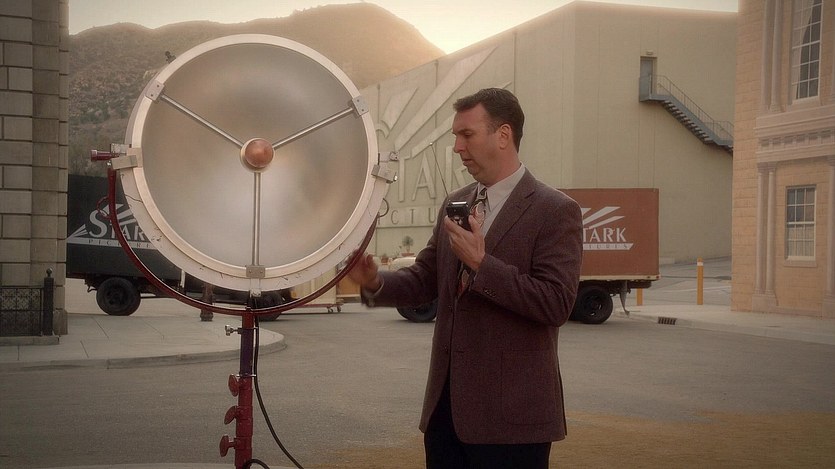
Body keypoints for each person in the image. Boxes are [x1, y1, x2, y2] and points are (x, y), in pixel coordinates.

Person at [348, 88, 583, 469]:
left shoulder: (555, 210)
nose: (457, 147)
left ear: (503, 135)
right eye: (456, 136)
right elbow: (425, 279)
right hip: (446, 417)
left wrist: (482, 264)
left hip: (513, 423)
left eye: (466, 135)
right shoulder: (456, 203)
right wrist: (375, 281)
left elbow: (555, 304)